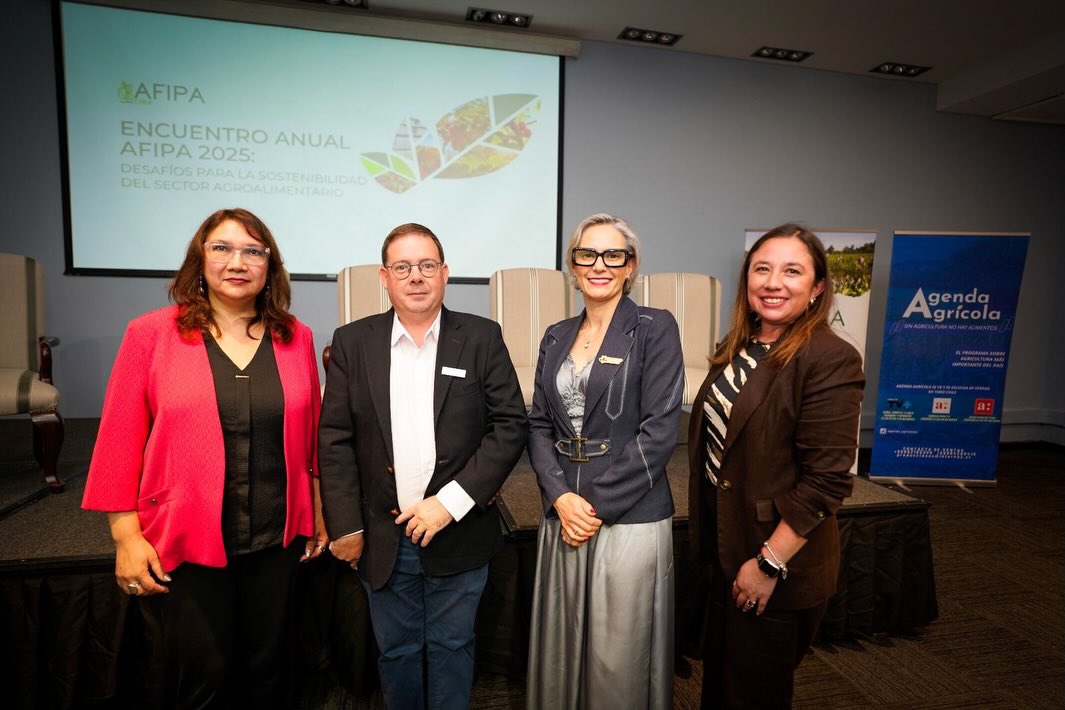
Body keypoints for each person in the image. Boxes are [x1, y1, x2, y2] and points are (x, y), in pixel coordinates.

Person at [82, 208, 327, 708]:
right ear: (200, 259)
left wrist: (319, 511)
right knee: (205, 679)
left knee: (271, 673)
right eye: (222, 248)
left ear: (270, 266)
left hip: (277, 538)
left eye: (253, 251)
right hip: (186, 538)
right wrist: (125, 537)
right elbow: (118, 441)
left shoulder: (295, 335)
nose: (238, 262)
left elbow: (312, 438)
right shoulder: (150, 333)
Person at [318, 223, 527, 709]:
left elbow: (510, 425)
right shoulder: (353, 342)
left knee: (454, 648)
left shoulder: (481, 337)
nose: (416, 276)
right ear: (384, 277)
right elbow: (335, 439)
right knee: (396, 652)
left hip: (459, 531)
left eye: (427, 265)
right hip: (383, 537)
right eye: (403, 267)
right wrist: (345, 526)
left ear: (445, 273)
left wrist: (450, 503)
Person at [688, 223, 865, 708]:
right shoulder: (742, 344)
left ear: (818, 288)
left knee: (752, 696)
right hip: (730, 546)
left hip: (776, 560)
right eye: (762, 269)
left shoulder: (830, 358)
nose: (773, 283)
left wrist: (768, 563)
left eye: (792, 271)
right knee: (724, 688)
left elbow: (826, 483)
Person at [526, 214, 685, 709]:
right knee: (562, 648)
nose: (599, 265)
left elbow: (659, 432)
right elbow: (537, 425)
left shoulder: (655, 327)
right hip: (564, 513)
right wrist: (560, 497)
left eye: (613, 254)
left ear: (630, 265)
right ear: (572, 267)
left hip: (626, 514)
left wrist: (591, 508)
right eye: (587, 254)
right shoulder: (555, 335)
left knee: (618, 659)